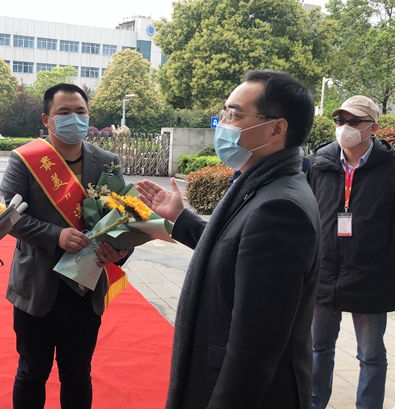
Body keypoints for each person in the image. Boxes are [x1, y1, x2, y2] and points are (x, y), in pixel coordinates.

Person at [136, 70, 322, 408]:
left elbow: (255, 346)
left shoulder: (280, 208)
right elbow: (234, 249)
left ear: (276, 129)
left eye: (234, 115)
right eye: (223, 113)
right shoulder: (259, 184)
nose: (222, 123)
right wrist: (181, 219)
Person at [0, 83, 130, 409]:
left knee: (77, 374)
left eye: (80, 111)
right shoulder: (26, 160)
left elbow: (124, 217)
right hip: (37, 286)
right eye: (64, 112)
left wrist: (122, 250)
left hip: (85, 286)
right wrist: (55, 235)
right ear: (47, 119)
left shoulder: (107, 162)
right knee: (32, 372)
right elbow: (10, 216)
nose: (74, 118)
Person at [307, 95, 395, 409]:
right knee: (318, 349)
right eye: (340, 120)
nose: (344, 127)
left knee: (371, 354)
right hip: (324, 273)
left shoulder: (391, 168)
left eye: (354, 121)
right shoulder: (320, 163)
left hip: (371, 276)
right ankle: (314, 403)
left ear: (373, 128)